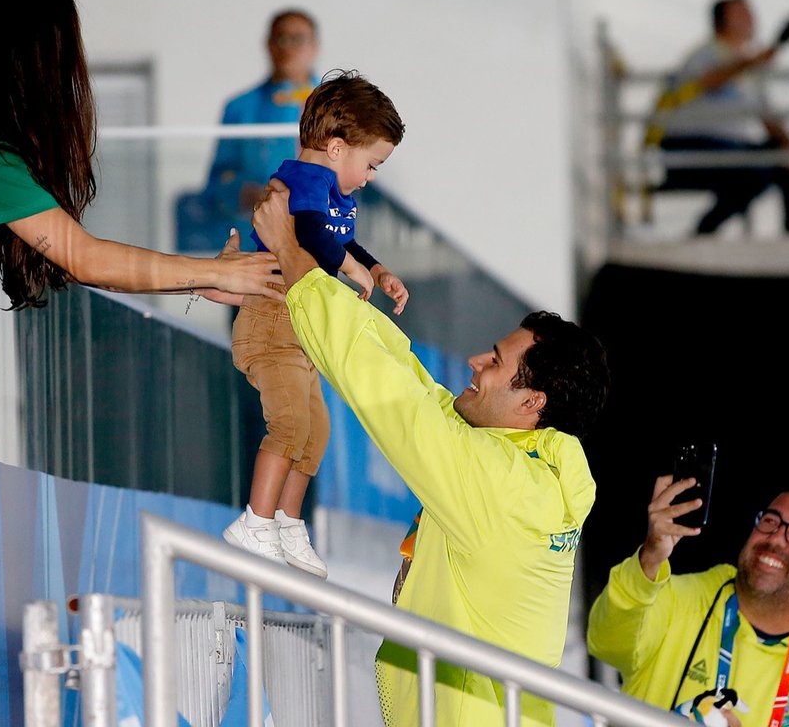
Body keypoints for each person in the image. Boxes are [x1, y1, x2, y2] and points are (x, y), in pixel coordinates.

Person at [250, 186, 612, 726]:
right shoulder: (521, 469)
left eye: (493, 361)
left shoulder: (499, 482)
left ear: (531, 403)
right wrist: (323, 280)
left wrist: (291, 253)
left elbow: (386, 394)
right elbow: (407, 377)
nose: (473, 361)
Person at [0, 0, 281, 310]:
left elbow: (81, 263)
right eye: (56, 59)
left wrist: (206, 278)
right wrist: (216, 273)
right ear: (25, 67)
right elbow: (83, 259)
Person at [222, 69, 409, 580]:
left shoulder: (327, 187)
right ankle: (255, 521)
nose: (369, 178)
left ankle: (287, 521)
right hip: (271, 320)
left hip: (298, 330)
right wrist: (350, 268)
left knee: (316, 429)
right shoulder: (303, 182)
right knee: (288, 425)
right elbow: (307, 234)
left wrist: (373, 267)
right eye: (370, 164)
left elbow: (339, 242)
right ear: (335, 147)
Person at [587, 476, 789, 727]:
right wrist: (649, 559)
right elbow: (605, 642)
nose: (777, 536)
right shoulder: (678, 599)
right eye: (770, 521)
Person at [647, 0, 789, 235]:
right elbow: (712, 79)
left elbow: (768, 116)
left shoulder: (747, 67)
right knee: (752, 171)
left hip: (729, 148)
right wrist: (750, 62)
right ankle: (704, 231)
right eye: (743, 13)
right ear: (723, 19)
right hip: (692, 146)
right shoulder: (706, 53)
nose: (752, 19)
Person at [196, 9, 320, 241]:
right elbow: (216, 185)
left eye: (298, 39)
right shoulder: (240, 108)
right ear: (269, 45)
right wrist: (244, 193)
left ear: (315, 47)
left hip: (320, 235)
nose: (288, 47)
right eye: (281, 39)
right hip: (257, 237)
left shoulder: (336, 105)